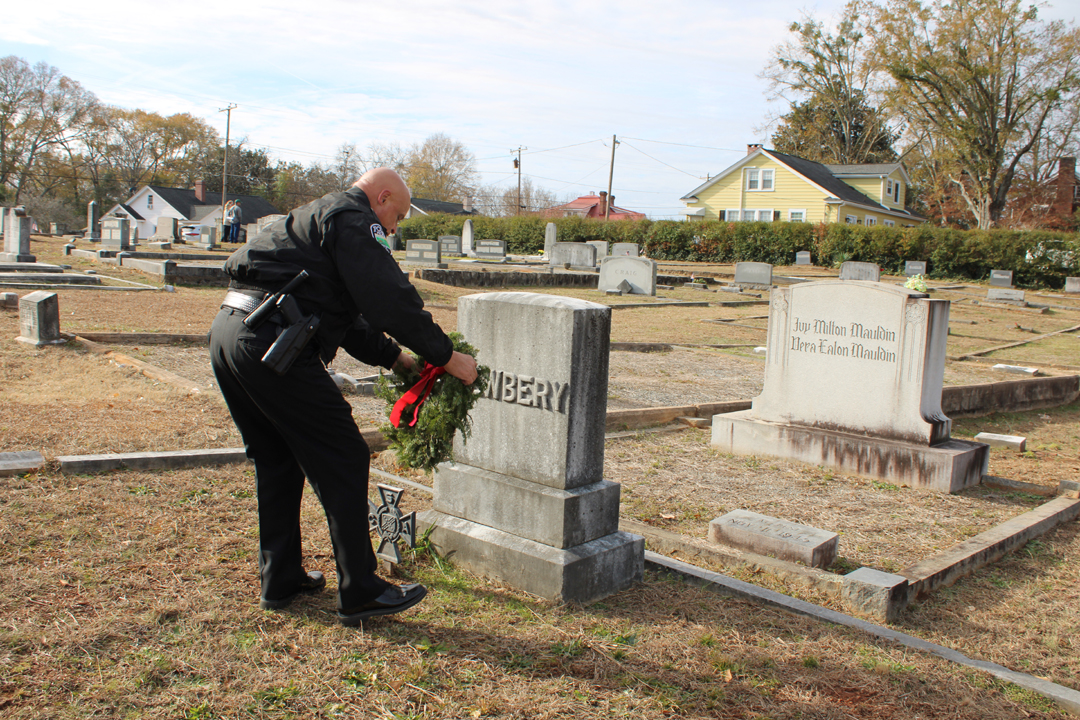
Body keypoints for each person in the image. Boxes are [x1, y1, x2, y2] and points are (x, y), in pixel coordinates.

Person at [208, 168, 477, 625]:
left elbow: (343, 312)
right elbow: (387, 298)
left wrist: (397, 360)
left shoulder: (317, 217)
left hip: (232, 333)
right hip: (275, 343)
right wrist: (448, 357)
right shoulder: (354, 218)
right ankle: (361, 588)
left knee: (278, 458)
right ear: (382, 197)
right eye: (397, 216)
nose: (394, 229)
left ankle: (282, 578)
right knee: (346, 454)